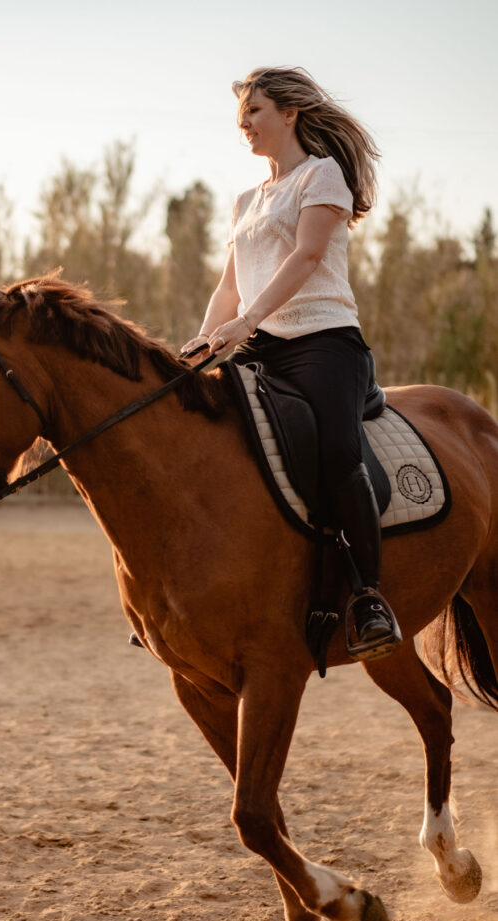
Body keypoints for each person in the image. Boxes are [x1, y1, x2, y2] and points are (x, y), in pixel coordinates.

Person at [180, 66, 401, 660]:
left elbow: (306, 257)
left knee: (335, 452)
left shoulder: (321, 175)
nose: (245, 125)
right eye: (240, 117)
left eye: (254, 112)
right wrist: (203, 342)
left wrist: (243, 325)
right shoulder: (247, 200)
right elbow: (230, 284)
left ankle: (369, 596)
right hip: (256, 345)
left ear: (290, 114)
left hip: (324, 342)